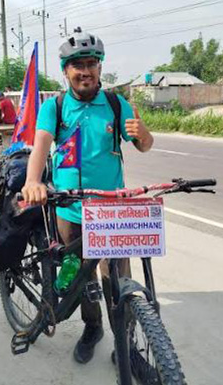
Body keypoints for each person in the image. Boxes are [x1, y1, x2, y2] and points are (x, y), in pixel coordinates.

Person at [21, 27, 154, 364]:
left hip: (111, 210)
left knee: (117, 279)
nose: (85, 71)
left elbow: (143, 145)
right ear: (66, 71)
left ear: (99, 68)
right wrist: (33, 181)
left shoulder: (115, 103)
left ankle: (125, 344)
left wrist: (144, 134)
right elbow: (40, 147)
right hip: (70, 209)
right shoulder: (56, 106)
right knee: (82, 277)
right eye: (77, 65)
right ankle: (92, 327)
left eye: (91, 63)